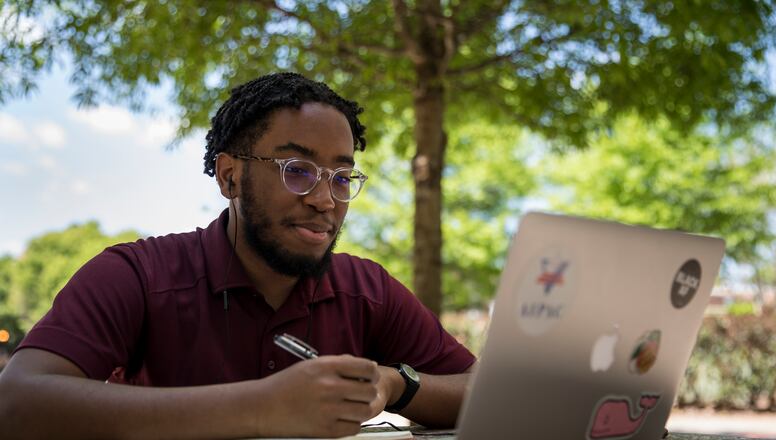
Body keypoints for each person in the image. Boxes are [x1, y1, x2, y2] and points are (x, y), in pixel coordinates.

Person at [0, 73, 476, 439]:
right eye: (297, 170)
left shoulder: (366, 289)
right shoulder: (138, 275)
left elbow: (487, 391)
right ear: (229, 177)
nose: (326, 200)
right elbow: (16, 402)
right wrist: (263, 405)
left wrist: (397, 385)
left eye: (340, 177)